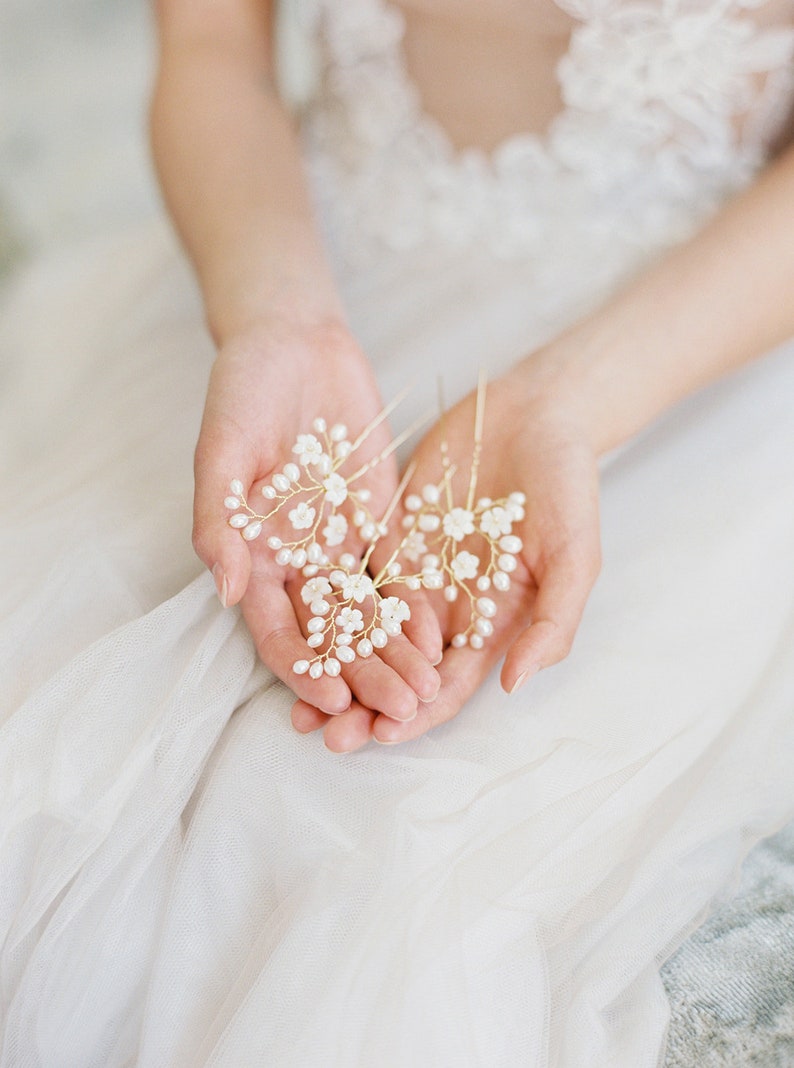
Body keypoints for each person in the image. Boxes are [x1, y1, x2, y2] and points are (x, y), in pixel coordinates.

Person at [1, 0, 794, 1064]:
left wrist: (567, 401)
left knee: (363, 864)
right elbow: (208, 45)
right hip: (305, 268)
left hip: (690, 338)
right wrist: (274, 318)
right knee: (57, 728)